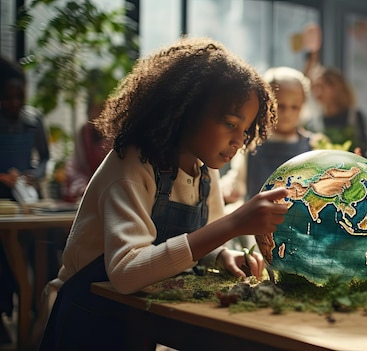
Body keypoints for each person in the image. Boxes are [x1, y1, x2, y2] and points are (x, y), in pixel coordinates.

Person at [39, 36, 289, 350]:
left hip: (139, 321)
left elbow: (200, 238)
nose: (239, 141)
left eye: (246, 130)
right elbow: (126, 273)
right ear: (184, 110)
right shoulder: (131, 165)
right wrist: (235, 224)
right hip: (86, 319)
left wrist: (223, 255)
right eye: (229, 123)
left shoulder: (205, 172)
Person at [220, 66, 326, 248]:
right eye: (280, 106)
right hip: (257, 230)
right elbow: (238, 181)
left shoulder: (314, 145)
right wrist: (228, 188)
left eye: (295, 107)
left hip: (302, 230)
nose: (287, 113)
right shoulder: (252, 144)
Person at [0, 55, 50, 345]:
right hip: (2, 198)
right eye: (7, 98)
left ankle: (35, 313)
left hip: (26, 196)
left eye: (20, 96)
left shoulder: (34, 121)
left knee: (35, 252)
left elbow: (44, 159)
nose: (14, 103)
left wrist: (32, 175)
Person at [61, 69, 114, 202]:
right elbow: (76, 166)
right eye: (95, 108)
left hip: (112, 192)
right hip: (87, 193)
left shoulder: (117, 133)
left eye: (103, 107)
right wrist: (82, 186)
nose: (100, 113)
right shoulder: (83, 132)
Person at [307, 65, 367, 155]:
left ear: (336, 88)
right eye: (315, 87)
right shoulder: (314, 122)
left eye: (322, 87)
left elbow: (365, 148)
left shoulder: (354, 117)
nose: (317, 92)